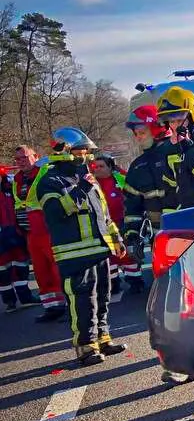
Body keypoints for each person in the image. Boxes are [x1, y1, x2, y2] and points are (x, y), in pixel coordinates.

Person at [35, 128, 127, 366]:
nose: (86, 155)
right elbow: (56, 213)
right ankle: (85, 347)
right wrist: (81, 189)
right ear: (64, 150)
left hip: (99, 249)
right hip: (74, 253)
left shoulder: (87, 177)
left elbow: (103, 214)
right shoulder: (49, 180)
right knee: (83, 301)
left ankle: (103, 339)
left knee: (103, 297)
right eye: (81, 150)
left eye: (87, 150)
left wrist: (116, 239)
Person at [12, 145, 67, 321]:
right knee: (41, 272)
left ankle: (68, 306)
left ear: (35, 156)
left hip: (48, 229)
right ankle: (52, 307)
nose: (21, 162)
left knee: (57, 269)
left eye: (24, 157)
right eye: (18, 159)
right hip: (30, 233)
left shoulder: (45, 173)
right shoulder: (17, 179)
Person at [121, 104, 176, 265]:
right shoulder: (138, 166)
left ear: (157, 129)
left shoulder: (179, 153)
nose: (138, 138)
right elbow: (132, 206)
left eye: (142, 133)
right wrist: (132, 236)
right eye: (136, 134)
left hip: (188, 233)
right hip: (159, 241)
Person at [91, 152, 145, 299]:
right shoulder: (91, 183)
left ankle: (135, 281)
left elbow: (134, 194)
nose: (97, 169)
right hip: (103, 226)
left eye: (102, 166)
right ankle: (113, 283)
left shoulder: (120, 178)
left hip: (122, 223)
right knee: (110, 256)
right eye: (95, 166)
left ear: (110, 167)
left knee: (127, 254)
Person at [0, 168, 37, 313]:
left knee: (21, 267)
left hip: (15, 234)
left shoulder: (10, 190)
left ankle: (26, 297)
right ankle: (9, 301)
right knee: (3, 272)